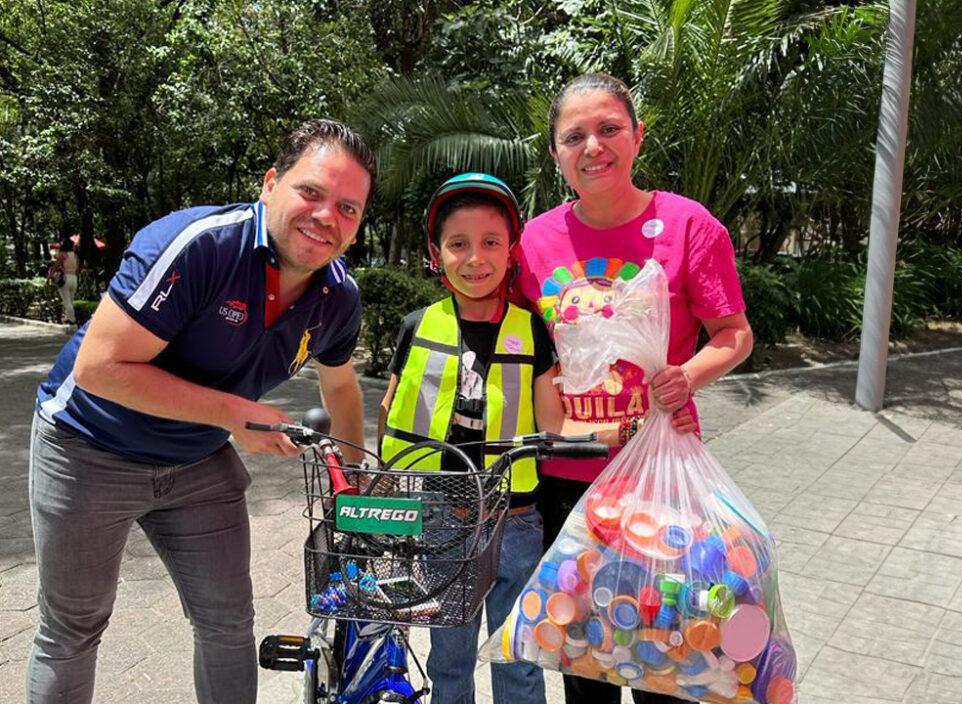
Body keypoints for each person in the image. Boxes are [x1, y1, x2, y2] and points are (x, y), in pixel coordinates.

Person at [28, 119, 375, 704]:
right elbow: (99, 367)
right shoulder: (201, 246)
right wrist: (235, 415)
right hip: (87, 447)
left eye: (347, 207)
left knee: (228, 621)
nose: (325, 216)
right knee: (72, 631)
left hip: (194, 460)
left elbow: (341, 389)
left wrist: (355, 483)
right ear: (271, 184)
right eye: (310, 192)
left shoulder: (337, 297)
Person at [510, 73, 755, 704]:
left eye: (609, 129)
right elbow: (517, 347)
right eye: (575, 136)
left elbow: (734, 334)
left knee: (664, 660)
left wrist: (686, 376)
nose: (593, 146)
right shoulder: (533, 243)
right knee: (584, 660)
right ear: (557, 153)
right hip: (569, 480)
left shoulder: (688, 225)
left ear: (637, 137)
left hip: (659, 481)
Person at [378, 173, 630, 704]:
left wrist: (621, 430)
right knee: (449, 658)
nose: (476, 258)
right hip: (439, 515)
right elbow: (390, 416)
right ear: (435, 253)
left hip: (515, 516)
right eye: (459, 244)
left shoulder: (532, 328)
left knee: (519, 654)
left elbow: (553, 423)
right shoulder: (415, 326)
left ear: (511, 251)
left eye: (491, 242)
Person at [50, 237, 80, 324]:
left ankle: (72, 319)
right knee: (70, 300)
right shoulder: (75, 255)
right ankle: (69, 317)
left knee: (66, 301)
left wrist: (50, 275)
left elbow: (56, 266)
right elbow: (78, 269)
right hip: (74, 278)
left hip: (65, 278)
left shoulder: (63, 254)